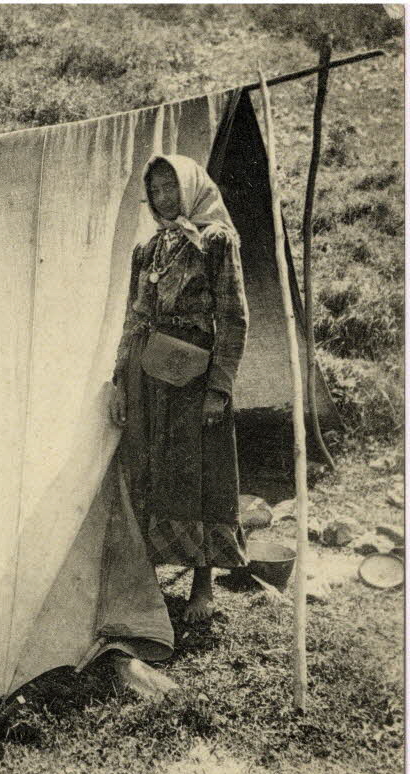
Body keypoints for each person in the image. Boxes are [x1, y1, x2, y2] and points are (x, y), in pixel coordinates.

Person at [109, 154, 250, 624]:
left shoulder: (215, 242)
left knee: (202, 474)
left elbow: (233, 319)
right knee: (151, 468)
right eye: (157, 191)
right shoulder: (148, 250)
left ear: (189, 187)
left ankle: (202, 585)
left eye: (172, 187)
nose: (165, 197)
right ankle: (147, 578)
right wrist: (118, 382)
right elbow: (134, 317)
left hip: (196, 377)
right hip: (150, 374)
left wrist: (218, 389)